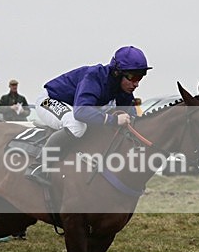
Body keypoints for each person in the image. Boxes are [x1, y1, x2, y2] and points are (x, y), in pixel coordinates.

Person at [27, 45, 151, 185]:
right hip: (49, 100)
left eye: (140, 77)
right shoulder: (93, 76)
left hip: (71, 105)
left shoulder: (123, 88)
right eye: (133, 77)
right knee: (76, 125)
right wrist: (114, 120)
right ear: (117, 72)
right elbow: (81, 112)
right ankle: (38, 166)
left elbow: (131, 120)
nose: (136, 83)